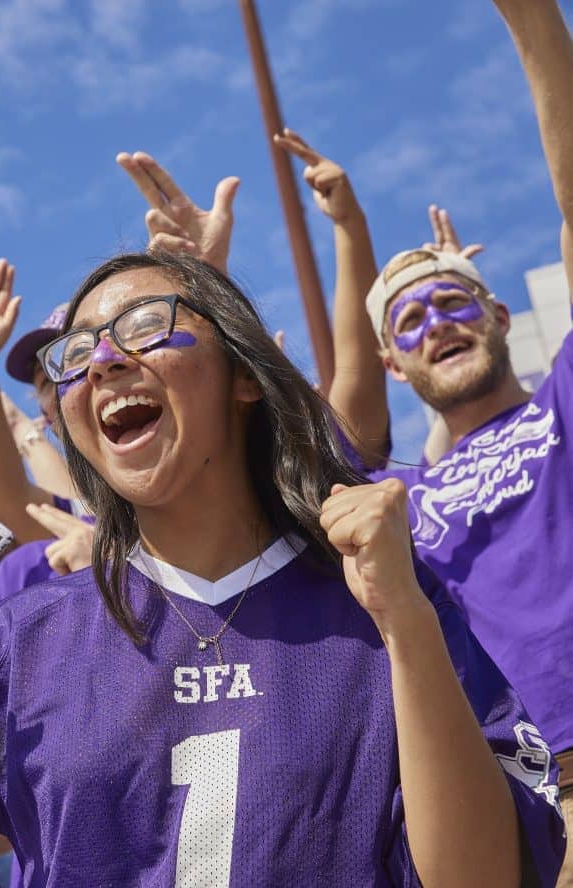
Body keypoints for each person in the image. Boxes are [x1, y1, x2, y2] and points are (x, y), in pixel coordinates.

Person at [0, 251, 565, 886]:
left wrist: (405, 624)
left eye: (145, 328)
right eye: (76, 355)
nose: (105, 363)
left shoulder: (384, 599)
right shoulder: (22, 646)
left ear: (241, 375)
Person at [314, 5, 573, 878]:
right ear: (394, 363)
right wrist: (348, 238)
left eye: (455, 302)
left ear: (499, 316)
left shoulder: (561, 406)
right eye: (411, 321)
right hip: (520, 811)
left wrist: (534, 23)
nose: (436, 324)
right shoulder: (393, 498)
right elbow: (335, 425)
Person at [0, 259, 81, 545]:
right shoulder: (83, 514)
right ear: (47, 416)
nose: (65, 383)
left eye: (77, 356)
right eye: (47, 381)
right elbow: (9, 500)